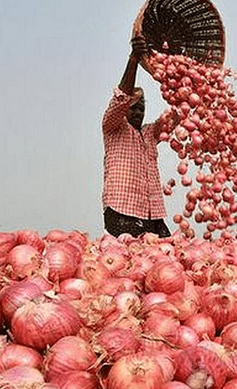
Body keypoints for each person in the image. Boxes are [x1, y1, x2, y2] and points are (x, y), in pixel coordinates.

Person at [100, 36, 175, 238]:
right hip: (122, 210)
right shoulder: (113, 127)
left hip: (153, 214)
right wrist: (133, 60)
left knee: (165, 260)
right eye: (134, 108)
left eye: (142, 108)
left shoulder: (150, 133)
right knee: (130, 261)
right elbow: (120, 97)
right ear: (125, 110)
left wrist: (188, 88)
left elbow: (175, 116)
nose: (139, 112)